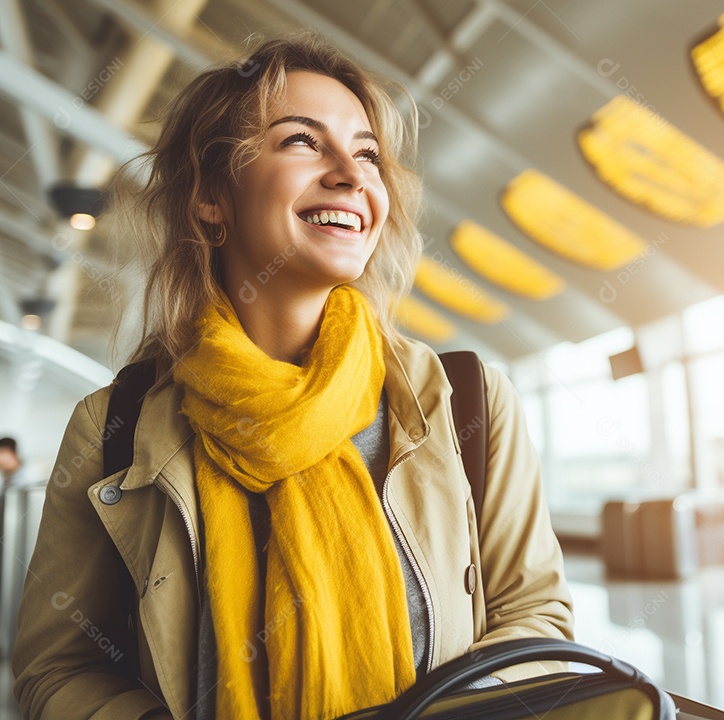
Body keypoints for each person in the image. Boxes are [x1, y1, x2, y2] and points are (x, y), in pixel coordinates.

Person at [11, 35, 573, 720]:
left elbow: (538, 620)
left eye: (366, 153)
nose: (352, 175)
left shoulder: (465, 403)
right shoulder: (115, 430)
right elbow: (56, 667)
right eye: (303, 143)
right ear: (212, 197)